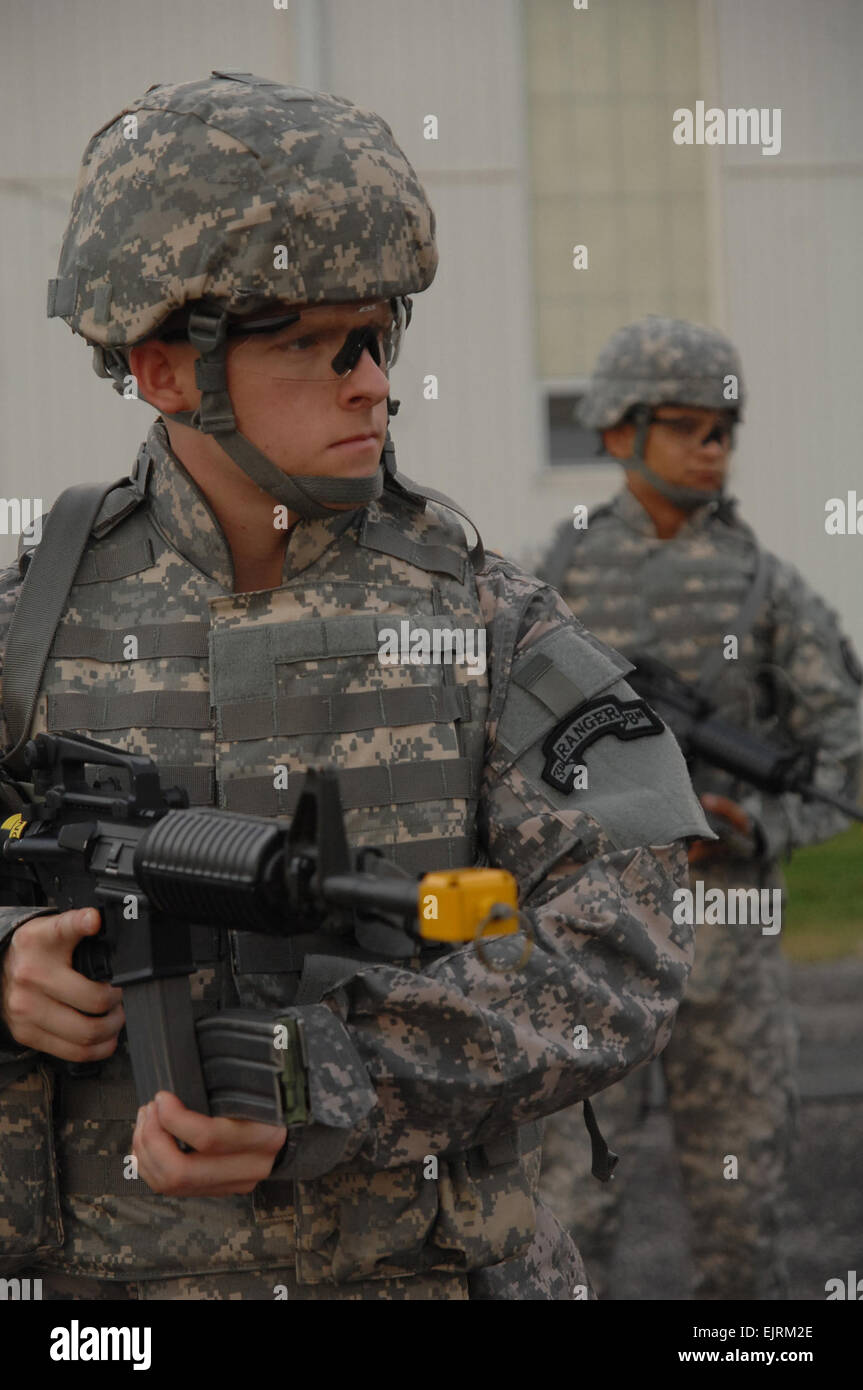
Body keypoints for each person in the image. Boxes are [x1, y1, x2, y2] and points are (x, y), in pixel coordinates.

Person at [0, 77, 708, 1302]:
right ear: (167, 370)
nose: (371, 381)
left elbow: (627, 941)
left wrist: (332, 1074)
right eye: (311, 347)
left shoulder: (486, 623)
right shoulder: (27, 629)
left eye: (379, 336)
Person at [537, 315, 863, 1300]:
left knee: (740, 1231)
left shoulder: (767, 591)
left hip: (726, 947)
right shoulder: (550, 580)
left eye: (723, 427)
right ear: (615, 431)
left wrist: (758, 826)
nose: (710, 446)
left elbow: (843, 757)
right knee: (568, 1225)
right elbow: (499, 755)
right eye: (685, 425)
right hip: (589, 947)